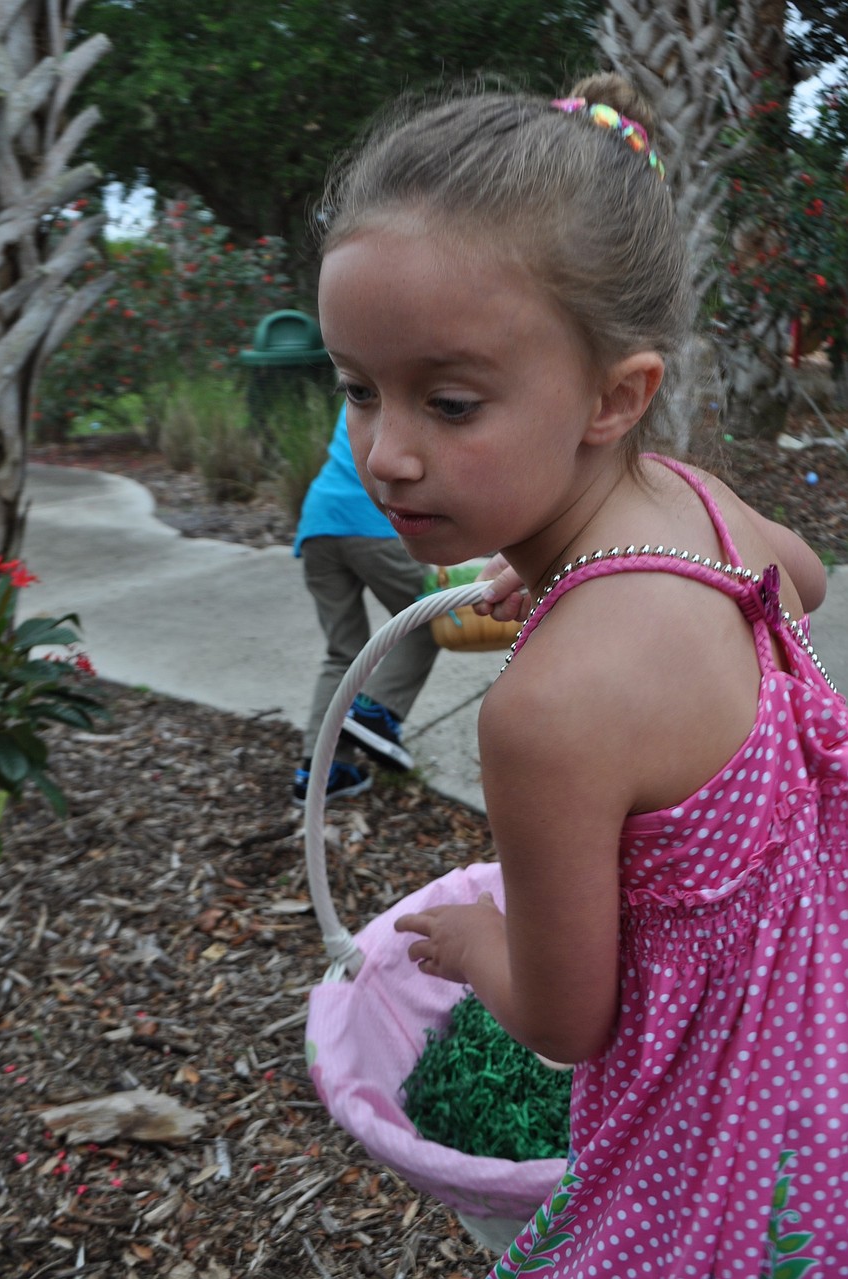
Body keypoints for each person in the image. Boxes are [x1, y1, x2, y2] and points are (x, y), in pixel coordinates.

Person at [315, 72, 848, 1276]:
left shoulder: (551, 708)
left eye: (451, 402)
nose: (385, 451)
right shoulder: (702, 504)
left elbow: (567, 1018)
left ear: (616, 395)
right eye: (357, 386)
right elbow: (803, 581)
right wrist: (559, 580)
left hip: (717, 1132)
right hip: (819, 1040)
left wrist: (462, 940)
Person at [293, 403, 440, 805]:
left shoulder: (363, 391)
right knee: (429, 618)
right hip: (369, 525)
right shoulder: (407, 389)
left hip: (318, 522)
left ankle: (323, 772)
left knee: (343, 652)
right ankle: (377, 711)